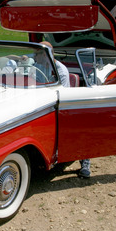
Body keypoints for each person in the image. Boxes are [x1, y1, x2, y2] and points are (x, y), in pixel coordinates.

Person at [40, 41, 91, 178]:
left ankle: (85, 161)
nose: (37, 57)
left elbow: (64, 93)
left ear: (49, 54)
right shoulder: (38, 67)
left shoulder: (60, 69)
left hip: (61, 105)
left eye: (40, 54)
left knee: (77, 128)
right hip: (43, 104)